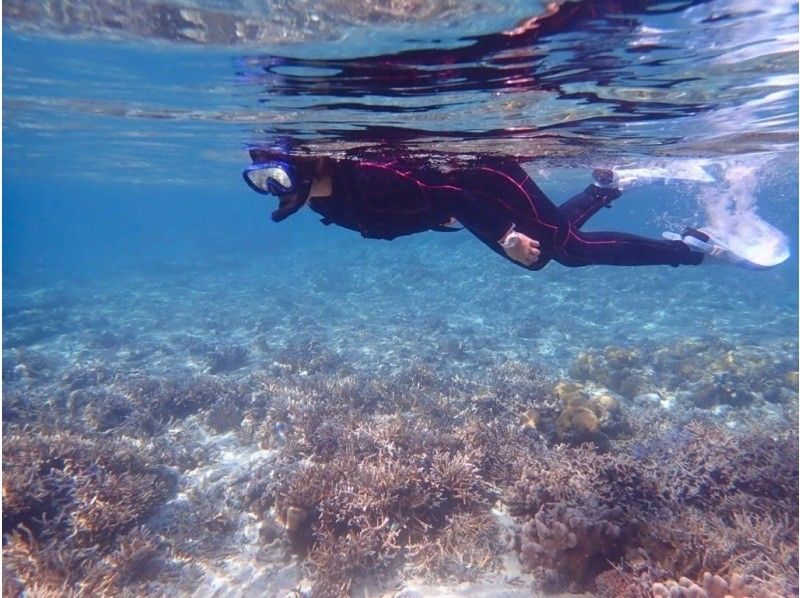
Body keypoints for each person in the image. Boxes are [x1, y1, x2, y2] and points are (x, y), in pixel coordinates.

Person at [242, 149, 771, 270]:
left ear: (308, 166)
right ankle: (608, 186)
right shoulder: (323, 200)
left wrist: (502, 238)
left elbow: (445, 193)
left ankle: (693, 250)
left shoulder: (366, 178)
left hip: (484, 180)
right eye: (260, 179)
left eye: (276, 175)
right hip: (463, 201)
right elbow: (409, 214)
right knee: (559, 245)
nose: (270, 188)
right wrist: (440, 221)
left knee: (561, 252)